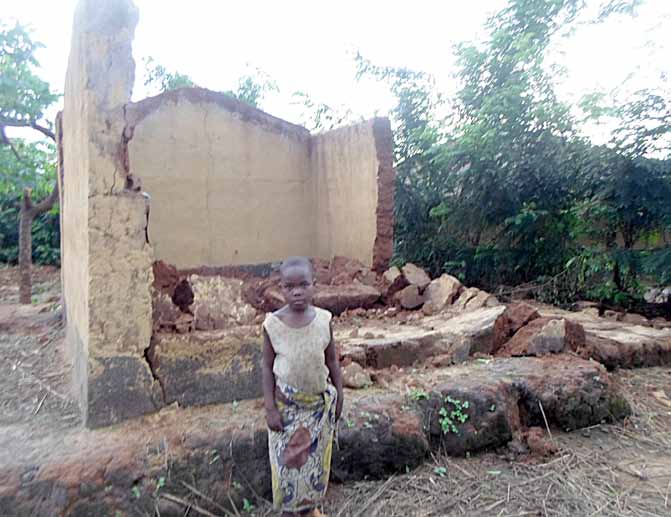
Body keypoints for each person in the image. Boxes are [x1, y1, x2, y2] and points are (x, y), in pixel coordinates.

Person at [262, 256, 344, 516]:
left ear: (313, 285)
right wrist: (270, 408)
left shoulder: (323, 320)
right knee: (288, 463)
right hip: (286, 410)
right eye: (289, 286)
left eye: (303, 285)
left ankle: (308, 509)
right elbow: (266, 367)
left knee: (313, 462)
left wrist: (340, 394)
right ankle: (289, 510)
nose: (297, 291)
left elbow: (331, 359)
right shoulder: (272, 325)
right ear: (281, 288)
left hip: (317, 408)